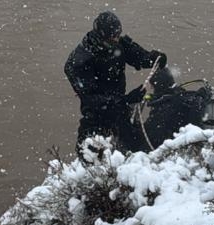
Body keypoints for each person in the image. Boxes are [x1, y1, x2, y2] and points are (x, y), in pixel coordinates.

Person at [63, 10, 165, 146]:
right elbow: (91, 100)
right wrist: (126, 100)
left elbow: (138, 57)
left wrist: (153, 58)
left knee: (141, 147)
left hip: (120, 112)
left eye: (118, 35)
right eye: (113, 37)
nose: (117, 40)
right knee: (92, 153)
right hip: (96, 120)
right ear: (101, 36)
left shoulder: (118, 44)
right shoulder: (78, 62)